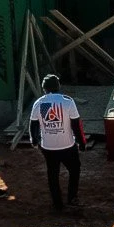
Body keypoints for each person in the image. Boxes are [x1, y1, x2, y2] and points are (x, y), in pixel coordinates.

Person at [28, 73, 87, 210]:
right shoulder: (68, 101)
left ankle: (57, 204)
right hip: (67, 146)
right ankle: (72, 198)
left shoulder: (38, 103)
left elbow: (33, 124)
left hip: (48, 147)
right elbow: (76, 125)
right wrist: (82, 142)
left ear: (44, 88)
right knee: (74, 169)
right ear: (58, 86)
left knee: (52, 174)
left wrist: (34, 140)